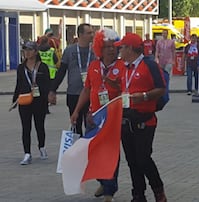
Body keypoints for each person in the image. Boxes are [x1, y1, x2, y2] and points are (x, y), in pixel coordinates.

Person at [70, 28, 122, 202]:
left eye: (113, 46)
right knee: (92, 153)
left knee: (111, 154)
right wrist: (77, 111)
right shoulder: (93, 66)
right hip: (94, 117)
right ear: (100, 48)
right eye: (107, 47)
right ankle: (102, 179)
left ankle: (109, 191)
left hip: (113, 118)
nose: (111, 50)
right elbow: (87, 90)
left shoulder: (122, 67)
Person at [114, 33, 167, 202]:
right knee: (132, 161)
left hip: (144, 119)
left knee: (143, 159)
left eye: (122, 47)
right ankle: (138, 194)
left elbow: (161, 88)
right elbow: (120, 85)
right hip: (126, 119)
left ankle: (158, 191)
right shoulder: (122, 66)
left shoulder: (149, 65)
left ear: (130, 48)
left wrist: (144, 96)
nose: (119, 50)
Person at [48, 23, 95, 136]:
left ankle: (89, 150)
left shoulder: (95, 50)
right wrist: (53, 90)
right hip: (73, 93)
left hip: (91, 94)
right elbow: (62, 71)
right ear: (80, 34)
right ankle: (77, 150)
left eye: (92, 32)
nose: (92, 35)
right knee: (76, 126)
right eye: (89, 33)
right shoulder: (69, 50)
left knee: (91, 125)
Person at [12, 41, 50, 165]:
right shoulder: (21, 67)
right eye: (25, 50)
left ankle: (42, 147)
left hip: (39, 102)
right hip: (24, 100)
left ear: (35, 51)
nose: (27, 52)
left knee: (39, 126)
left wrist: (47, 97)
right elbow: (19, 84)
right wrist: (15, 100)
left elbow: (47, 84)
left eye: (29, 50)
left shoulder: (42, 67)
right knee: (26, 127)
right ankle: (27, 153)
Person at [38, 36, 58, 114]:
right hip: (51, 74)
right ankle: (47, 107)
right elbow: (56, 61)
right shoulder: (51, 51)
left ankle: (40, 107)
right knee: (48, 91)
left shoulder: (38, 51)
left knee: (41, 91)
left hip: (40, 74)